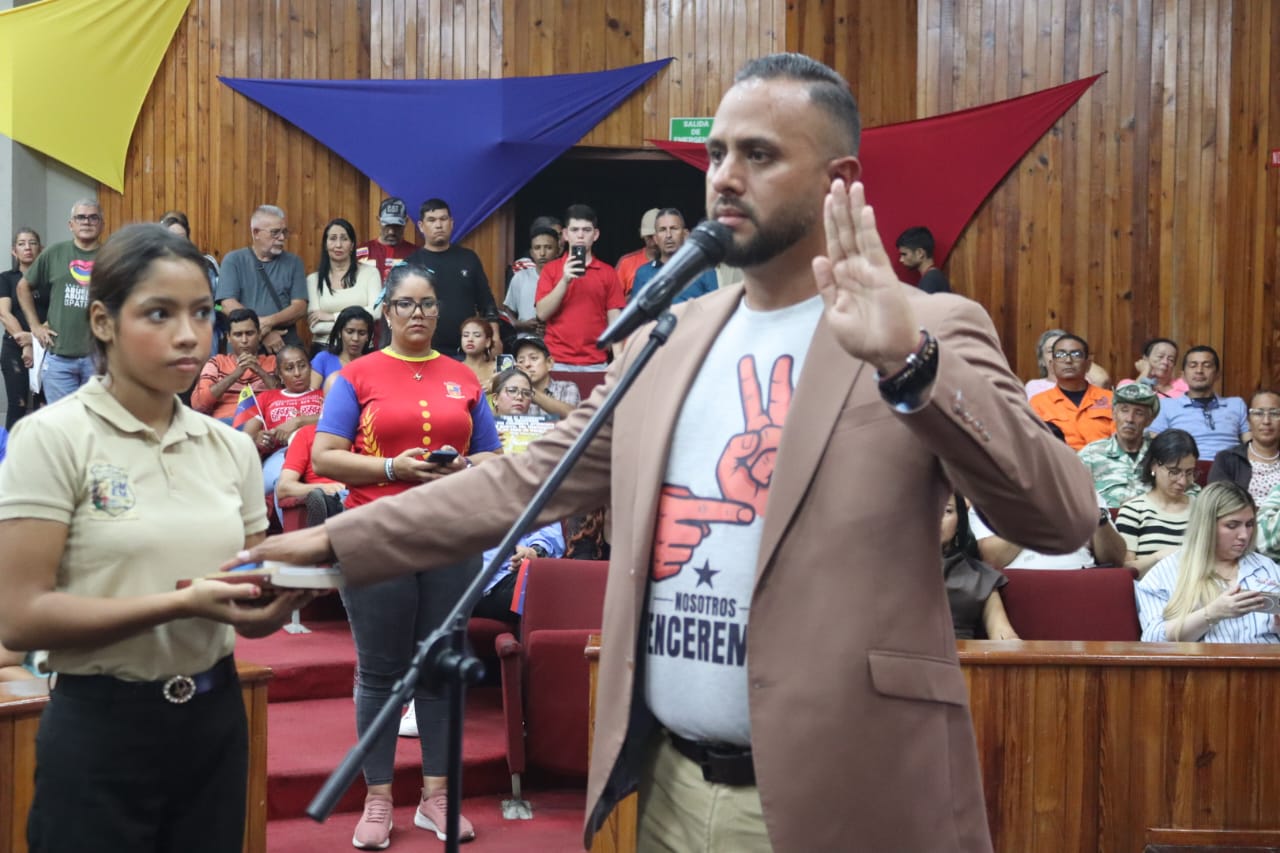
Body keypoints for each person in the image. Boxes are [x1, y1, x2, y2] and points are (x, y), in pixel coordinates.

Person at [229, 53, 1099, 853]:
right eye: (717, 153)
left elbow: (1060, 516)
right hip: (670, 788)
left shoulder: (930, 327)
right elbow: (526, 479)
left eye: (759, 154)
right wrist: (327, 548)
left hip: (848, 793)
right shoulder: (672, 335)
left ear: (839, 181)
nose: (725, 176)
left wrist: (911, 365)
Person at [0, 223, 308, 852]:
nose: (189, 334)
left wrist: (277, 599)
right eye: (160, 313)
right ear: (104, 322)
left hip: (216, 719)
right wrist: (180, 602)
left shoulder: (230, 447)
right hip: (101, 725)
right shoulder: (52, 438)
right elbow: (21, 618)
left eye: (201, 312)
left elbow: (248, 593)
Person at [309, 263, 503, 847]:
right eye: (406, 304)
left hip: (449, 535)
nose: (418, 313)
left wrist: (463, 465)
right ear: (386, 312)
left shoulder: (462, 377)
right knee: (379, 672)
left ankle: (437, 797)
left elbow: (493, 456)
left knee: (439, 667)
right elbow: (325, 456)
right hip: (376, 533)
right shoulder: (356, 375)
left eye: (428, 304)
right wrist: (392, 468)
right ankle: (377, 799)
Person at [1135, 482, 1280, 643]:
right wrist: (1212, 613)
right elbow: (1152, 639)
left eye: (1250, 525)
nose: (1244, 535)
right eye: (1232, 525)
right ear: (1207, 526)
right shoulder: (1166, 572)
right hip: (1206, 659)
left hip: (1268, 658)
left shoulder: (1268, 567)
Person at [16, 199, 104, 402]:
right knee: (63, 420)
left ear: (102, 224)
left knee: (96, 419)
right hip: (59, 361)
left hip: (99, 359)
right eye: (80, 217)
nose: (86, 221)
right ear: (70, 224)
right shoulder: (54, 253)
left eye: (93, 217)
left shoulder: (112, 256)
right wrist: (35, 326)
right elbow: (23, 287)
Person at [534, 203, 626, 370]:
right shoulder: (551, 269)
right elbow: (542, 314)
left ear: (596, 235)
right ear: (565, 235)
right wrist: (565, 280)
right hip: (556, 360)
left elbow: (615, 321)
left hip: (596, 361)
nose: (581, 235)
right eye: (575, 230)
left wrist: (619, 361)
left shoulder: (608, 273)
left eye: (586, 230)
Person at [405, 198, 499, 358]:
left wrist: (495, 337)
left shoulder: (468, 258)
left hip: (466, 352)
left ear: (451, 223)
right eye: (432, 220)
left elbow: (486, 302)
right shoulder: (411, 264)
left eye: (443, 219)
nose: (438, 225)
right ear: (421, 226)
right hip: (424, 351)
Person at [214, 204, 307, 353]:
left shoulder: (294, 262)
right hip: (243, 348)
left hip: (282, 348)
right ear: (256, 232)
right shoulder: (234, 260)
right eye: (275, 232)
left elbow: (300, 307)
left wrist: (268, 323)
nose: (282, 238)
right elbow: (226, 305)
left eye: (284, 232)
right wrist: (262, 333)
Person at [242, 345, 325, 497]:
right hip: (281, 455)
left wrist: (299, 421)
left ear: (310, 368)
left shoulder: (324, 395)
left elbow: (338, 423)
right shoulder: (266, 398)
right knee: (276, 482)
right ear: (279, 373)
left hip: (316, 452)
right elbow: (245, 439)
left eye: (302, 366)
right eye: (289, 368)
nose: (297, 373)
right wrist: (259, 439)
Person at [1116, 429, 1200, 576]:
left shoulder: (1201, 508)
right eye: (1174, 472)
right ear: (1154, 465)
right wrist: (1159, 557)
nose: (1183, 481)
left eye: (1189, 472)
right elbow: (1125, 570)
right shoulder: (1134, 510)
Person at [1148, 345, 1250, 461]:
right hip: (1185, 468)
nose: (1199, 371)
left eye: (1207, 366)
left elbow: (1251, 443)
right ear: (1183, 375)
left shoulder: (1236, 404)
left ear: (1217, 374)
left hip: (1230, 468)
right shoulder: (1166, 405)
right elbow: (1152, 441)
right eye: (1193, 365)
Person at [942, 493, 1017, 640]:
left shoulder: (980, 576)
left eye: (947, 510)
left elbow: (1003, 634)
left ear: (960, 520)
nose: (936, 517)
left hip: (960, 653)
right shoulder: (895, 570)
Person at [1078, 382, 1161, 508]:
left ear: (1149, 420)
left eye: (1139, 413)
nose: (1130, 419)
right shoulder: (1091, 454)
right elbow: (1072, 497)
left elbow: (1186, 491)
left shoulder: (1160, 454)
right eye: (1124, 410)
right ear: (1114, 414)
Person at [1029, 333, 1115, 451]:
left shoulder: (1111, 399)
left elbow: (1121, 443)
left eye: (1076, 354)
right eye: (1060, 355)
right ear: (1052, 365)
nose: (1068, 360)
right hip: (1062, 461)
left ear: (1088, 364)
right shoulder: (1038, 403)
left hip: (1105, 460)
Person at [191, 308, 279, 422]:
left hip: (263, 424)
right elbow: (199, 404)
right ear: (228, 337)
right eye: (238, 335)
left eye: (249, 333)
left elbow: (288, 400)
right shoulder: (216, 363)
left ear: (259, 334)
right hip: (224, 425)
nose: (244, 340)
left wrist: (259, 370)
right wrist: (236, 373)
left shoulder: (273, 361)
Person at [306, 218, 382, 345]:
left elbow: (376, 312)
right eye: (333, 238)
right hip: (325, 348)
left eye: (344, 239)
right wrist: (359, 327)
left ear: (352, 245)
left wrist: (332, 317)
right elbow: (316, 327)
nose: (338, 245)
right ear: (325, 244)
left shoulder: (371, 273)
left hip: (361, 349)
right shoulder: (313, 280)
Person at [631, 208, 720, 303]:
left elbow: (716, 306)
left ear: (685, 234)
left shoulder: (704, 270)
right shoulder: (643, 273)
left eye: (674, 228)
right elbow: (637, 311)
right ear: (655, 238)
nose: (668, 235)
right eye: (662, 230)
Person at [0, 227, 42, 427]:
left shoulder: (49, 279)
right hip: (14, 349)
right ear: (14, 251)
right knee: (18, 405)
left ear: (41, 249)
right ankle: (11, 447)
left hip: (46, 347)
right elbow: (4, 313)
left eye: (32, 243)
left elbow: (56, 314)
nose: (27, 248)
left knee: (45, 406)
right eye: (22, 244)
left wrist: (34, 342)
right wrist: (26, 344)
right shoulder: (6, 278)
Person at [1207, 390, 1280, 503]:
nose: (1266, 421)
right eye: (1258, 413)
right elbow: (1217, 502)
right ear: (1248, 421)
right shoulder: (1227, 459)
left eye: (1274, 413)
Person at [504, 222, 560, 332]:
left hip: (557, 340)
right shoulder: (520, 277)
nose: (542, 253)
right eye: (537, 248)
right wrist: (521, 324)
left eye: (548, 248)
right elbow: (508, 311)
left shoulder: (565, 280)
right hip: (526, 340)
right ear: (531, 252)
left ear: (558, 251)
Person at [1024, 327, 1109, 399]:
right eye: (1051, 351)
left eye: (1063, 352)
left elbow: (1102, 379)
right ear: (1041, 360)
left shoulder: (1087, 382)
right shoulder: (1034, 386)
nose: (1064, 358)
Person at [512, 333, 580, 419]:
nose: (527, 364)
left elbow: (572, 416)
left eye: (533, 358)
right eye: (521, 361)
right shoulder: (513, 392)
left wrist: (529, 390)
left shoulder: (566, 387)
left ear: (549, 363)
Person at [310, 305, 375, 391]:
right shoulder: (323, 359)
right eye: (349, 332)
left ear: (368, 337)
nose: (355, 338)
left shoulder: (374, 364)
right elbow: (312, 395)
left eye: (362, 333)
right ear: (339, 333)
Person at [358, 197, 418, 282]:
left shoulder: (416, 255)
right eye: (387, 225)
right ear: (378, 220)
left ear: (406, 221)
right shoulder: (359, 253)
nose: (391, 232)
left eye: (396, 226)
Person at [1117, 337, 1187, 398]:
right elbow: (1128, 401)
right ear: (1145, 358)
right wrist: (1145, 371)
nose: (1165, 362)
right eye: (1160, 356)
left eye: (1171, 360)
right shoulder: (1127, 385)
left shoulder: (1184, 386)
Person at [615, 208, 659, 296]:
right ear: (641, 234)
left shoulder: (676, 261)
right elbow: (613, 300)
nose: (654, 242)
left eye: (657, 236)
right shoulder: (626, 263)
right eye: (649, 237)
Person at [895, 226, 951, 293]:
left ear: (920, 253)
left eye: (904, 254)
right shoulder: (933, 276)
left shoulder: (930, 280)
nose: (901, 260)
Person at [459, 315, 498, 388]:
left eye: (477, 335)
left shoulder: (497, 368)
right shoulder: (455, 368)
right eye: (465, 335)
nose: (470, 339)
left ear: (488, 342)